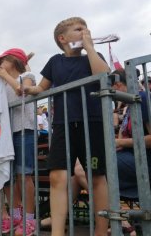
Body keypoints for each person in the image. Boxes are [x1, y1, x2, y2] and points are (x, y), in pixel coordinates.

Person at [22, 17, 110, 236]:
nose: (85, 31)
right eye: (79, 29)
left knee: (96, 176)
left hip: (93, 122)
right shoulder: (55, 61)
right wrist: (28, 88)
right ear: (62, 38)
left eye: (86, 28)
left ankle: (101, 230)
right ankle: (57, 232)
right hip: (63, 123)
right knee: (57, 176)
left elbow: (103, 75)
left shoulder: (93, 57)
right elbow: (42, 87)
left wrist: (90, 47)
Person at [0, 48, 37, 235]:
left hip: (24, 129)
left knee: (24, 175)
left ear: (13, 60)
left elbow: (22, 91)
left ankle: (29, 219)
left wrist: (3, 75)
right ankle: (15, 215)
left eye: (3, 59)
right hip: (7, 134)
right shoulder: (1, 83)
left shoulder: (28, 75)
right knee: (9, 177)